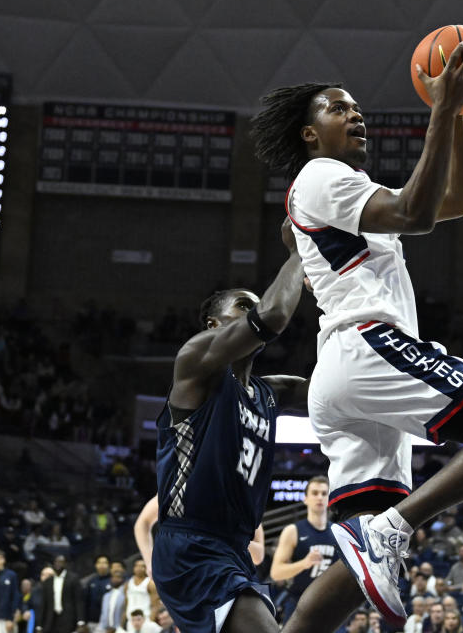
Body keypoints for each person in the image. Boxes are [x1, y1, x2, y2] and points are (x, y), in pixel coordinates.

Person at [253, 44, 463, 631]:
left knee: (353, 572)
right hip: (368, 347)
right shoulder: (320, 175)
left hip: (348, 370)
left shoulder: (341, 188)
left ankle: (384, 531)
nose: (356, 114)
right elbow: (416, 212)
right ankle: (393, 526)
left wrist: (458, 113)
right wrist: (440, 109)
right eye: (339, 109)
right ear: (309, 134)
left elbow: (455, 201)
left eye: (357, 107)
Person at [150, 220, 307, 633]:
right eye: (242, 304)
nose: (252, 309)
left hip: (234, 550)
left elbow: (331, 392)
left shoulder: (270, 393)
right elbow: (271, 315)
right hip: (191, 545)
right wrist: (300, 248)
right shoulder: (196, 363)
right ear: (214, 325)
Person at [134, 495, 266, 579]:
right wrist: (150, 561)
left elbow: (258, 556)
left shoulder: (243, 498)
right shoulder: (185, 484)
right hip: (187, 577)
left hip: (228, 579)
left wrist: (225, 533)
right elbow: (142, 523)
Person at [269, 476, 334, 621]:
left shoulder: (338, 531)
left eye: (324, 494)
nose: (320, 497)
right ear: (305, 499)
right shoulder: (292, 531)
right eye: (315, 493)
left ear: (329, 499)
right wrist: (304, 563)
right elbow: (276, 572)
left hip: (331, 606)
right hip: (299, 604)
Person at [37, 556, 84, 633]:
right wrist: (39, 625)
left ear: (65, 564)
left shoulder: (73, 578)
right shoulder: (48, 581)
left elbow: (78, 601)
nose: (58, 564)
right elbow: (44, 604)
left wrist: (80, 621)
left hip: (68, 618)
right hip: (51, 619)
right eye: (56, 562)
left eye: (61, 562)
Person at [84, 556, 113, 625]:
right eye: (99, 563)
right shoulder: (91, 581)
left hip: (108, 621)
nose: (102, 565)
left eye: (104, 563)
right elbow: (86, 602)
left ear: (109, 565)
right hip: (92, 621)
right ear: (95, 565)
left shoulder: (113, 581)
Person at [95, 569, 125, 633]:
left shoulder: (125, 594)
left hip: (119, 628)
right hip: (104, 628)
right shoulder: (106, 596)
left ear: (122, 579)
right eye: (113, 577)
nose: (115, 579)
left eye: (118, 577)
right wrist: (101, 626)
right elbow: (103, 613)